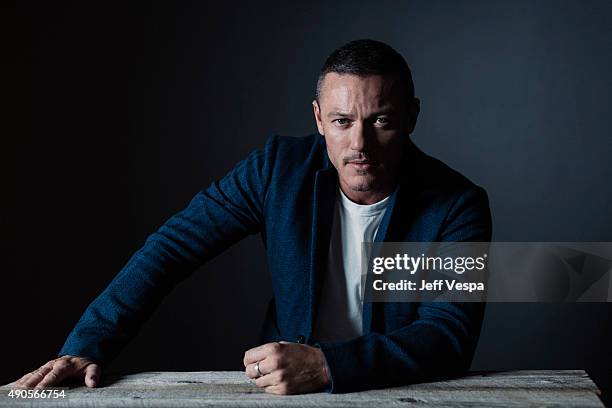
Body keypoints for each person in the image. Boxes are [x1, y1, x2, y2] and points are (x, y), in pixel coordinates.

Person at [13, 39, 492, 395]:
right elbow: (172, 249)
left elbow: (446, 336)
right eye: (343, 122)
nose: (360, 144)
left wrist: (328, 365)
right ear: (319, 119)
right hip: (280, 395)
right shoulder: (277, 171)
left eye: (381, 121)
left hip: (402, 396)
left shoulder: (457, 205)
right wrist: (87, 345)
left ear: (411, 117)